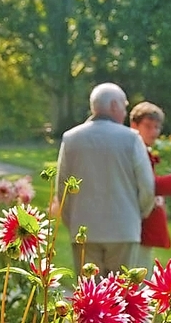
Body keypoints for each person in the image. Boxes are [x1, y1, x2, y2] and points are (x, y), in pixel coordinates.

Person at [55, 83, 155, 276]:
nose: (125, 112)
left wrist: (72, 220)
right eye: (124, 106)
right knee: (122, 297)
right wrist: (138, 214)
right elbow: (147, 187)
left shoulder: (71, 138)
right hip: (123, 229)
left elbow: (62, 188)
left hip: (83, 228)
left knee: (89, 298)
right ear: (114, 105)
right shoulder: (131, 138)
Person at [129, 101, 171, 271]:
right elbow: (144, 185)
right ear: (134, 125)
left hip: (139, 224)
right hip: (136, 224)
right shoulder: (133, 149)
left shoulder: (141, 149)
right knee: (138, 277)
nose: (154, 132)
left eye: (157, 127)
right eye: (148, 126)